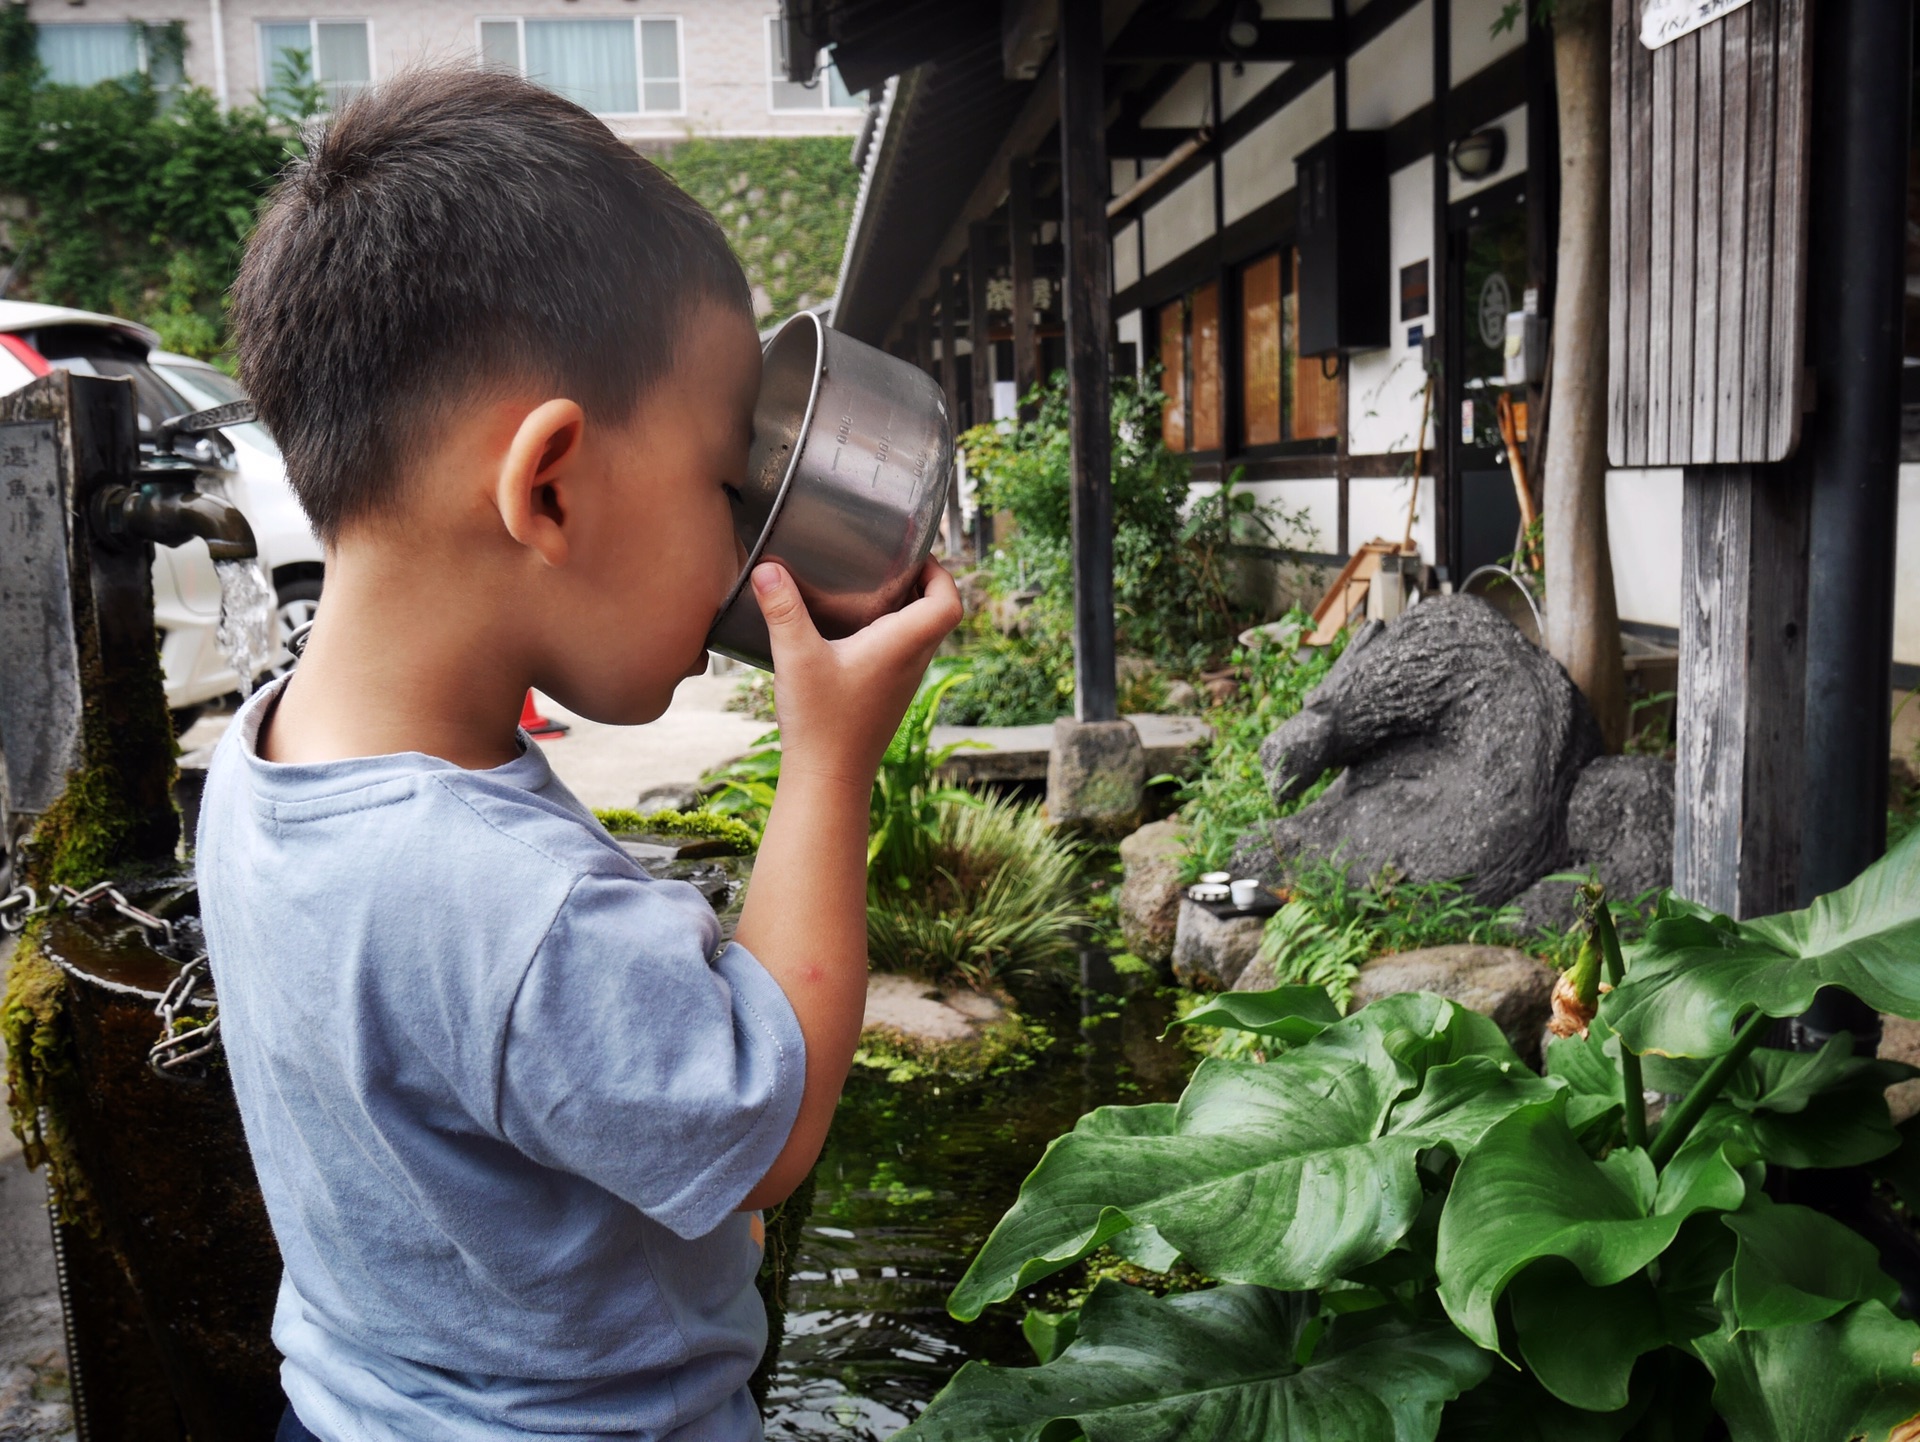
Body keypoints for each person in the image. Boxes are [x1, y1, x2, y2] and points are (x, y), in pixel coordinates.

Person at [197, 66, 960, 1442]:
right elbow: (766, 1124)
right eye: (728, 488)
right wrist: (831, 752)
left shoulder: (261, 767)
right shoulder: (516, 907)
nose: (745, 551)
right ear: (548, 484)